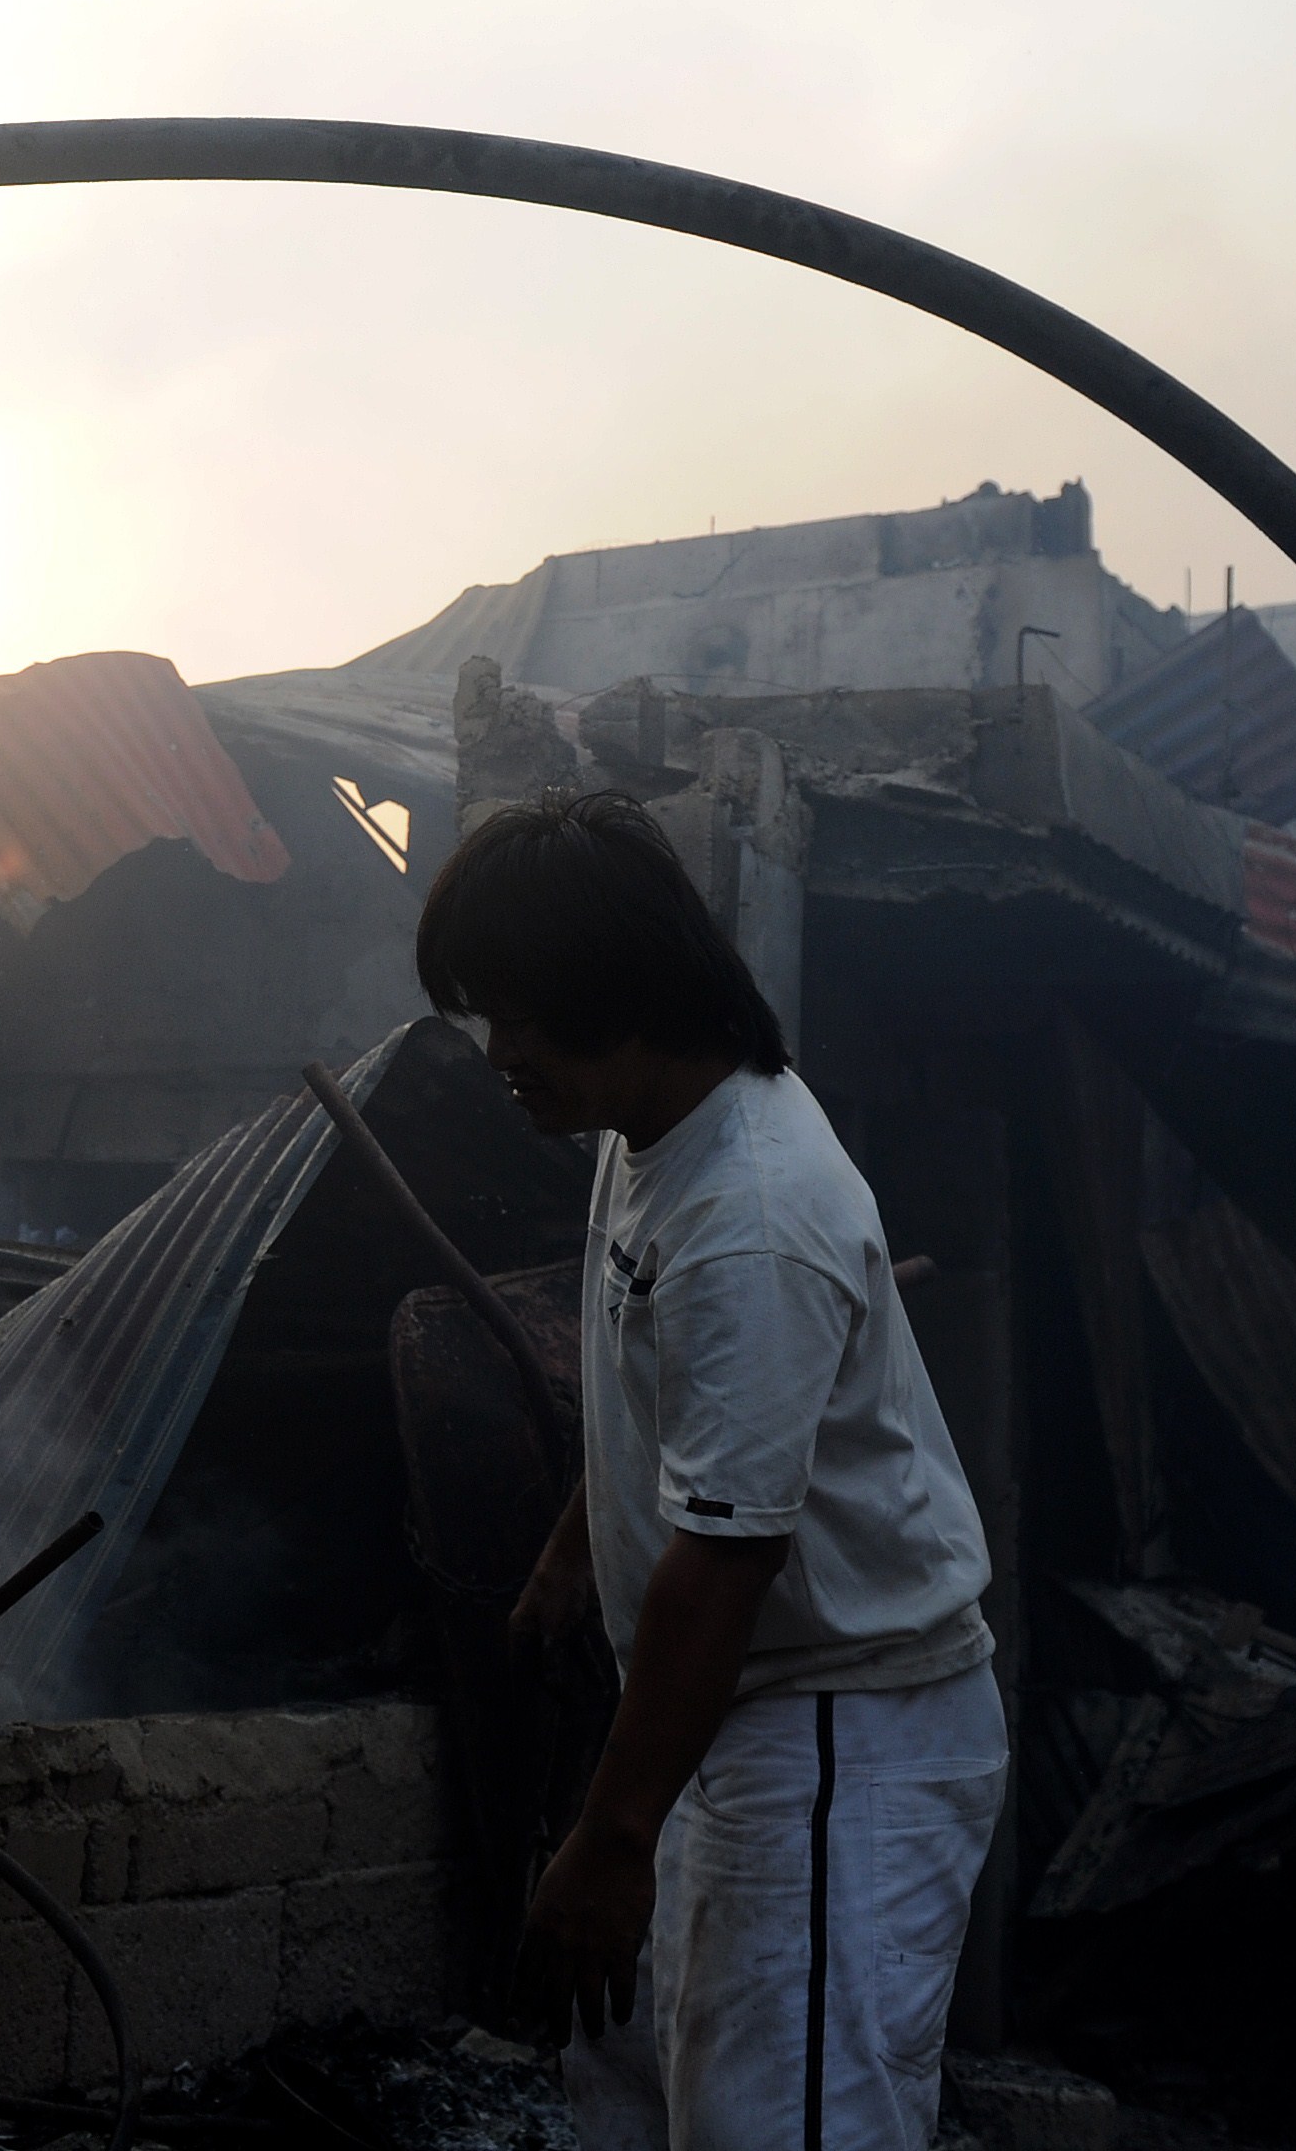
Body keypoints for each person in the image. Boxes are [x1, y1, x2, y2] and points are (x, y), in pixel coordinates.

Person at [433, 790, 1003, 2151]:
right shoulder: (648, 1130)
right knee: (653, 2098)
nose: (501, 1053)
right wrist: (578, 1543)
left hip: (833, 1733)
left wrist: (610, 1840)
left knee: (781, 2125)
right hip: (723, 1714)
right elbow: (667, 1393)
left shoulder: (751, 1212)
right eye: (488, 1015)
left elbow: (728, 1560)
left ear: (624, 994)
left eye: (525, 1016)